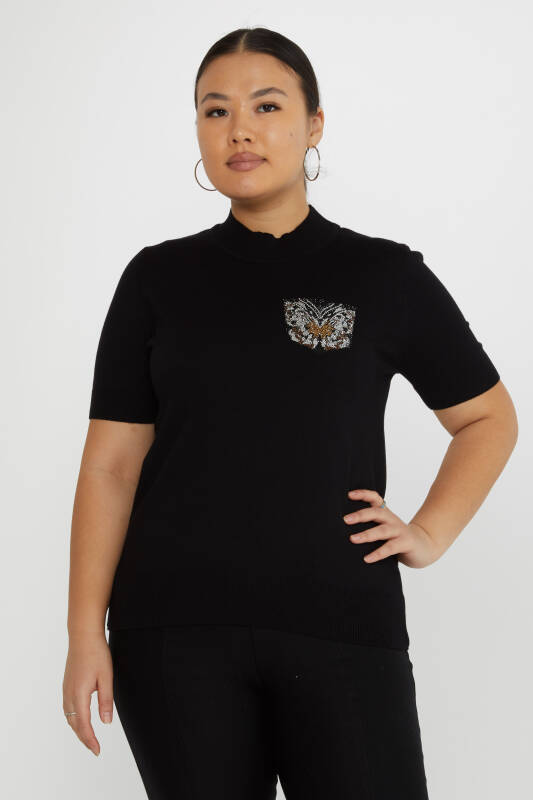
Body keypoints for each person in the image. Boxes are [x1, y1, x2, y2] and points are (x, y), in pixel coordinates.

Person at [62, 26, 518, 800]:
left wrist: (428, 531)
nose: (238, 129)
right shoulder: (156, 280)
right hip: (174, 636)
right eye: (215, 111)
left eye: (266, 106)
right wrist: (83, 633)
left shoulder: (384, 276)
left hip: (344, 626)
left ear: (313, 125)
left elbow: (487, 418)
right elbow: (110, 466)